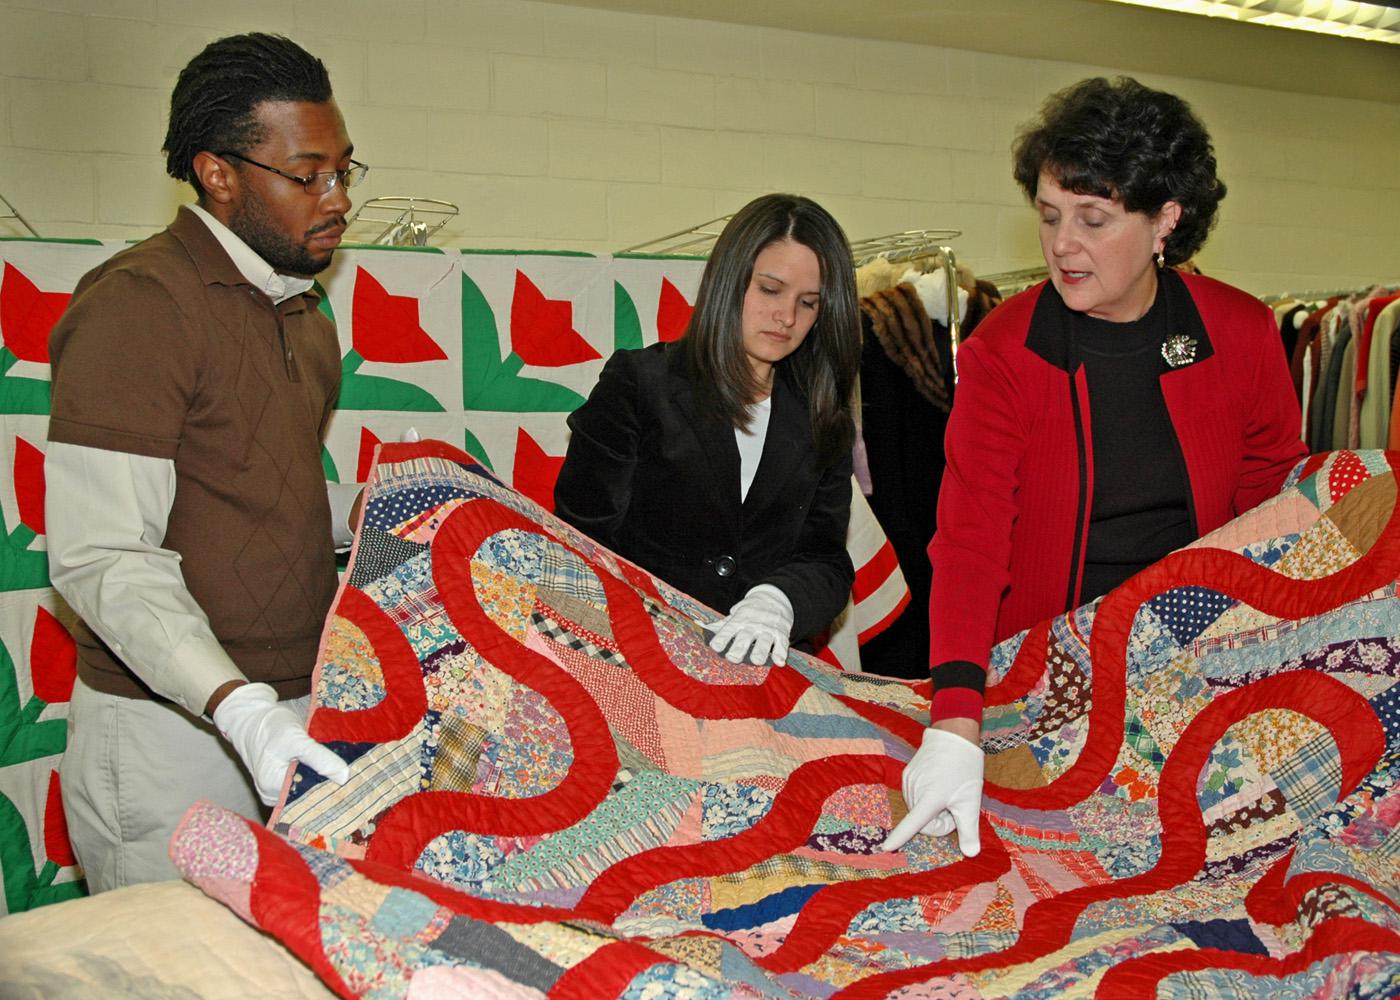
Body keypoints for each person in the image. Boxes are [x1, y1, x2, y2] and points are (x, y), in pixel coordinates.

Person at [883, 77, 1308, 855]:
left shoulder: (1241, 334)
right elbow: (971, 541)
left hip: (1199, 669)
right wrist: (953, 718)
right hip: (1051, 681)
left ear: (1164, 222)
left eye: (1093, 218)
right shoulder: (1004, 354)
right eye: (1049, 217)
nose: (1061, 244)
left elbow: (1275, 518)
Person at [45, 33, 369, 891]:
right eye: (308, 177)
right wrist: (238, 707)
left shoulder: (305, 311)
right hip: (171, 734)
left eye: (345, 170)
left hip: (292, 712)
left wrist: (382, 507)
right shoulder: (141, 306)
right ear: (218, 173)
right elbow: (103, 554)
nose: (338, 200)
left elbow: (257, 490)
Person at [554, 194, 861, 667]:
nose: (787, 317)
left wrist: (780, 601)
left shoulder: (824, 415)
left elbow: (827, 561)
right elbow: (582, 542)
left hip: (762, 672)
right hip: (634, 658)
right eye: (770, 289)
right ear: (729, 280)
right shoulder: (640, 384)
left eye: (808, 303)